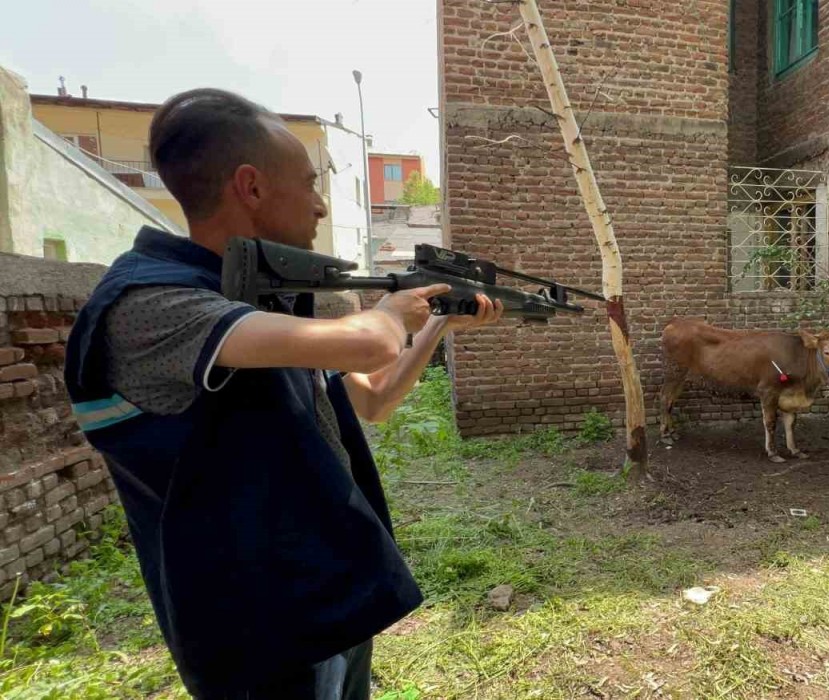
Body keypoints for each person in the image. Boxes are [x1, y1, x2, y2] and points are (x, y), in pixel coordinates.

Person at [63, 88, 503, 699]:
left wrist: (437, 321)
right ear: (251, 187)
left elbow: (374, 397)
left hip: (321, 590)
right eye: (309, 182)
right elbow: (370, 345)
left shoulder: (250, 301)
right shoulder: (153, 303)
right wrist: (390, 312)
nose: (321, 204)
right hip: (254, 624)